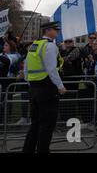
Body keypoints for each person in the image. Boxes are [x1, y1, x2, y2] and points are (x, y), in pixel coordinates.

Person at [22, 21, 67, 153]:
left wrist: (30, 83)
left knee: (35, 123)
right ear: (48, 31)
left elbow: (26, 67)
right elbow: (52, 69)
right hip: (47, 88)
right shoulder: (50, 46)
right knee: (47, 124)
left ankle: (28, 150)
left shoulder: (34, 46)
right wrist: (60, 86)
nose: (57, 32)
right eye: (55, 30)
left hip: (34, 88)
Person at [59, 38, 83, 122]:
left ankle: (71, 118)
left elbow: (66, 59)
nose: (68, 43)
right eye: (66, 41)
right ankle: (64, 117)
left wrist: (61, 59)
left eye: (70, 41)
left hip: (73, 78)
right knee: (63, 98)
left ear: (73, 42)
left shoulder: (76, 50)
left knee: (71, 98)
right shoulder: (61, 51)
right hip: (63, 78)